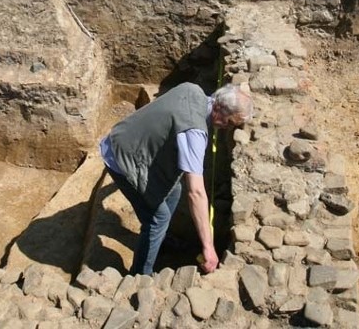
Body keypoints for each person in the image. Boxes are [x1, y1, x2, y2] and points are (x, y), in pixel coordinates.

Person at [100, 82, 253, 275]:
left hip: (133, 142)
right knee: (158, 218)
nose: (228, 129)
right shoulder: (195, 132)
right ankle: (140, 275)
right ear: (219, 108)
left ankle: (160, 239)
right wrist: (208, 247)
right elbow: (196, 192)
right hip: (121, 156)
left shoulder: (193, 89)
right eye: (230, 122)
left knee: (174, 192)